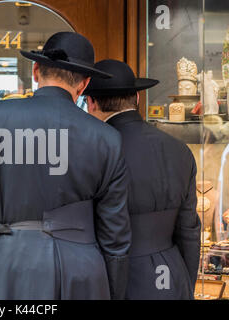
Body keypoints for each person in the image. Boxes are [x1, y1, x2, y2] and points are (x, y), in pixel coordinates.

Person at [0, 32, 131, 300]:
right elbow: (115, 233)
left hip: (10, 266)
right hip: (82, 271)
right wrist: (112, 290)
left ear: (36, 71)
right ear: (84, 84)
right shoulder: (108, 138)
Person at [85, 59, 201, 299]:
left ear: (91, 102)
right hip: (172, 272)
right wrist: (185, 285)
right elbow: (189, 231)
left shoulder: (94, 151)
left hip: (119, 277)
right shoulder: (180, 150)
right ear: (137, 98)